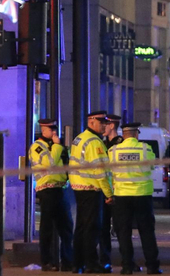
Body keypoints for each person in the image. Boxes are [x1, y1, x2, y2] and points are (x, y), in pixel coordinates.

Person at [110, 123, 162, 275]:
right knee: (146, 231)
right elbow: (152, 166)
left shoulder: (113, 151)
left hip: (122, 196)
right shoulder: (145, 149)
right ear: (136, 134)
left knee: (123, 232)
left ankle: (127, 266)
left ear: (124, 134)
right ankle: (152, 266)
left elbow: (109, 171)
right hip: (142, 195)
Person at [69, 111, 114, 274]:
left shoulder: (79, 138)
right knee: (91, 228)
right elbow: (101, 172)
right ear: (91, 121)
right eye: (101, 122)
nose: (104, 125)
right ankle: (91, 263)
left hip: (79, 187)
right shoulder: (95, 143)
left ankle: (77, 263)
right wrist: (109, 194)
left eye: (105, 122)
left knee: (81, 227)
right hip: (91, 189)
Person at [30, 119, 74, 272]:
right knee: (47, 228)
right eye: (51, 130)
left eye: (55, 130)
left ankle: (67, 261)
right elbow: (50, 163)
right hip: (46, 190)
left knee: (67, 227)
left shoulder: (57, 146)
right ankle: (46, 261)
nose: (54, 133)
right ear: (43, 131)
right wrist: (57, 146)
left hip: (60, 189)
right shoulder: (37, 147)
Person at [99, 114, 124, 273]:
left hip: (119, 191)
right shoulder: (101, 143)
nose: (103, 128)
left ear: (112, 126)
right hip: (105, 191)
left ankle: (127, 260)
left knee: (122, 228)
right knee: (103, 228)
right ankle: (105, 260)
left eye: (105, 125)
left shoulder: (121, 144)